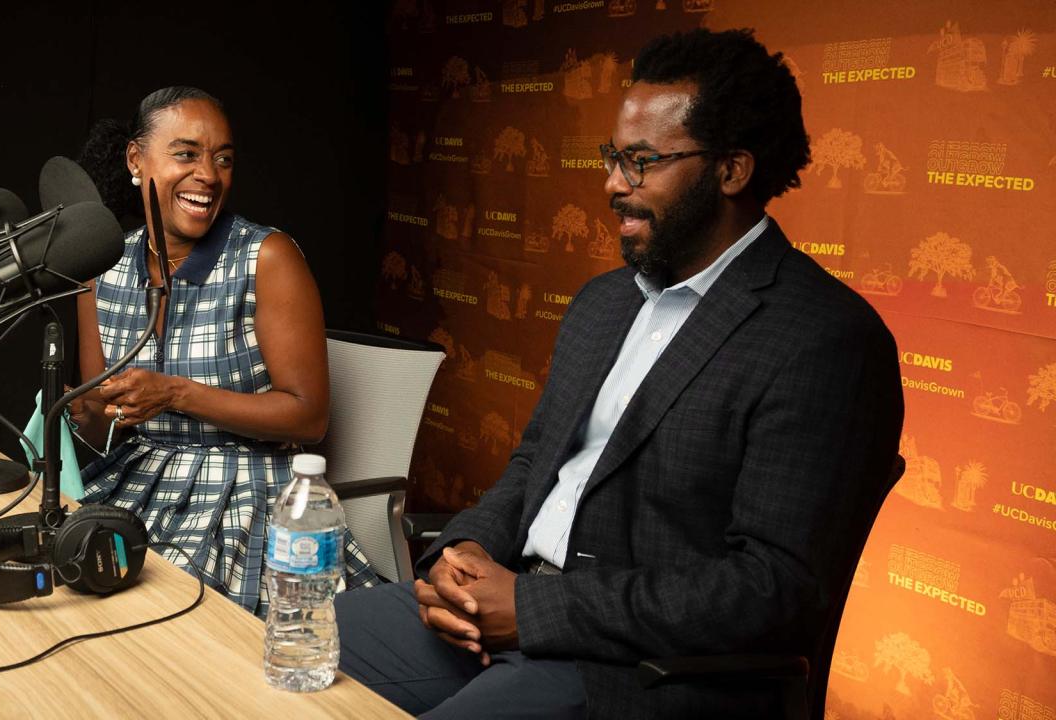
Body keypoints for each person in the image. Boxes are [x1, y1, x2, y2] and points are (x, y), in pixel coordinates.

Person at [335, 29, 903, 718]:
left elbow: (772, 589)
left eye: (642, 163)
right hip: (500, 613)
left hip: (643, 672)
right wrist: (461, 555)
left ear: (731, 170)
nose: (612, 184)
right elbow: (532, 466)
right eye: (614, 158)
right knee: (287, 651)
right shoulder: (602, 304)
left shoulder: (823, 339)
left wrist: (535, 609)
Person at [69, 87, 378, 616]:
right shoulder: (99, 269)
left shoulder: (267, 257)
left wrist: (174, 394)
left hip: (245, 489)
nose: (208, 176)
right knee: (68, 573)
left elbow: (309, 416)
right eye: (186, 154)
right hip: (135, 480)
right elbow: (98, 427)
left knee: (162, 611)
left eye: (223, 159)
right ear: (136, 161)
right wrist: (85, 410)